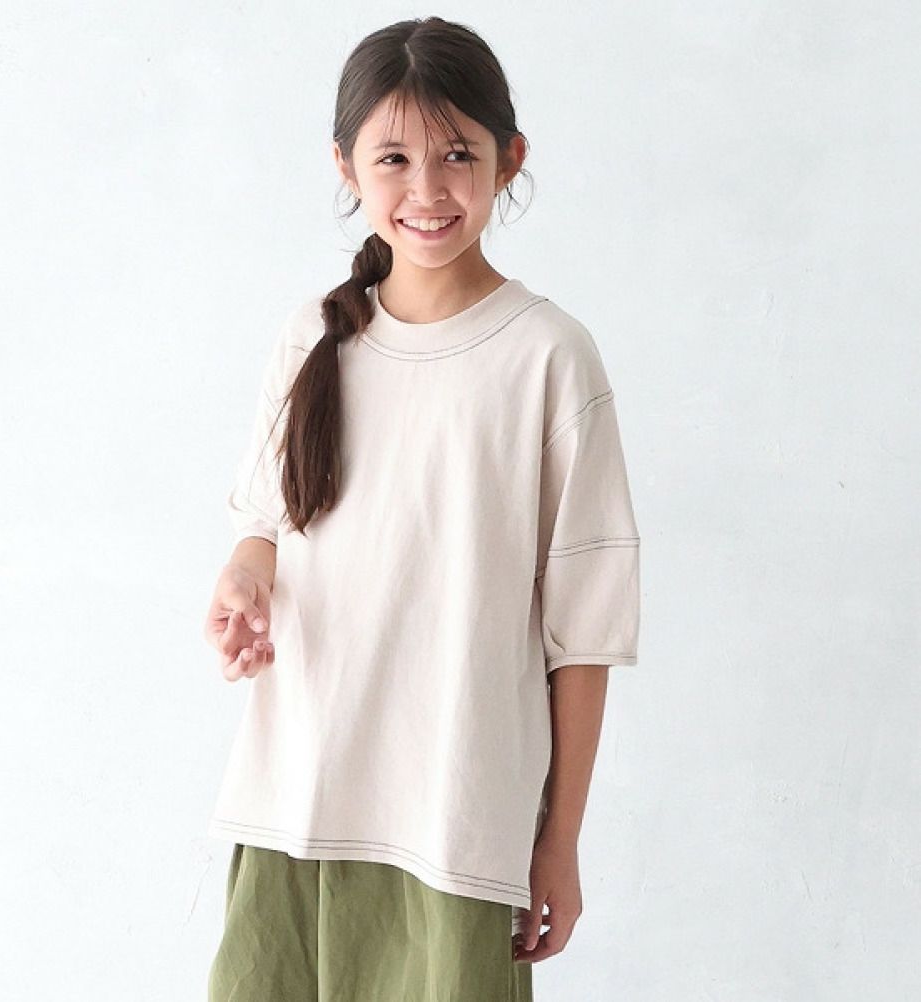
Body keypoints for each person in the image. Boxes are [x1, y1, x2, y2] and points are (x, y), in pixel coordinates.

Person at [203, 15, 640, 1001]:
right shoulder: (315, 338)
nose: (429, 190)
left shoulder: (547, 357)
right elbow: (264, 524)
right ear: (346, 165)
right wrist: (245, 580)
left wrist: (559, 841)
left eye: (458, 155)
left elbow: (584, 633)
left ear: (509, 159)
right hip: (292, 802)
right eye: (394, 158)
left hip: (456, 824)